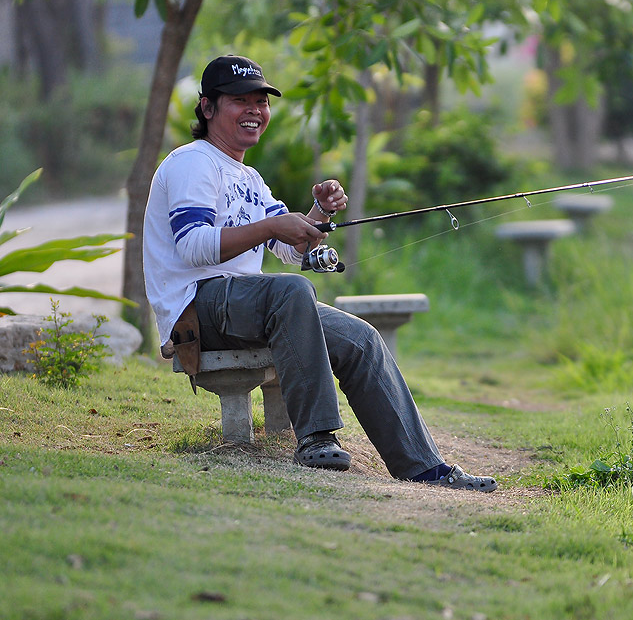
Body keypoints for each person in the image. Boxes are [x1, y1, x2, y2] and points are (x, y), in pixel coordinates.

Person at [143, 55, 496, 493]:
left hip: (245, 304)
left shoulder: (249, 177)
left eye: (261, 101)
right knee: (292, 291)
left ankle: (423, 467)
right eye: (239, 101)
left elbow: (289, 249)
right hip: (196, 308)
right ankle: (315, 438)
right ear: (208, 108)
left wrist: (317, 213)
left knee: (361, 339)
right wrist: (274, 225)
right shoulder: (192, 163)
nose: (254, 109)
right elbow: (192, 245)